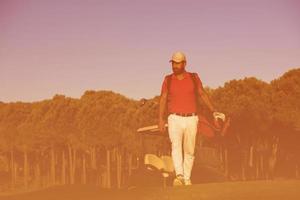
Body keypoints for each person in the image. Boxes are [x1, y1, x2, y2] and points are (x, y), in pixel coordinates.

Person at [158, 51, 219, 186]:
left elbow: (202, 93)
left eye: (178, 63)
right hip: (174, 118)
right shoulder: (168, 79)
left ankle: (187, 178)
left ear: (184, 63)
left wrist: (213, 110)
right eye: (173, 63)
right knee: (176, 146)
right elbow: (162, 98)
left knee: (189, 149)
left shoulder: (193, 77)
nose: (175, 66)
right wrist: (160, 119)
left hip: (191, 118)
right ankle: (179, 176)